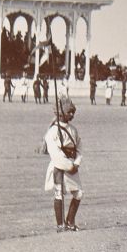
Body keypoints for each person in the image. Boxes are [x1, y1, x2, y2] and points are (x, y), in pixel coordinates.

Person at [44, 97, 83, 232]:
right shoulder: (53, 131)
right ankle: (60, 225)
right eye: (69, 112)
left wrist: (77, 163)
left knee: (78, 194)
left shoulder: (73, 129)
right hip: (59, 168)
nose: (72, 115)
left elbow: (79, 147)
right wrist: (68, 166)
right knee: (59, 194)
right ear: (61, 113)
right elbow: (55, 153)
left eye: (73, 112)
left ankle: (70, 221)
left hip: (72, 165)